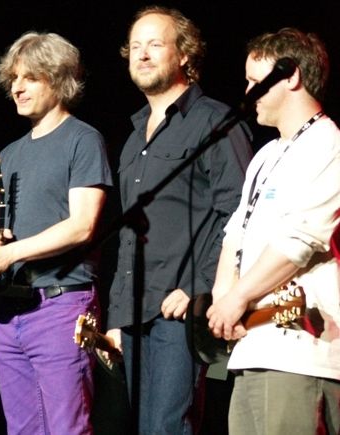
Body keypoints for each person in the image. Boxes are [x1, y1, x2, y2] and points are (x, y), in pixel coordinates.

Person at [105, 5, 253, 434]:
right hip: (135, 314)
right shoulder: (133, 137)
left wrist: (199, 285)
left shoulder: (215, 121)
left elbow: (240, 213)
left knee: (168, 428)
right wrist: (117, 315)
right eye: (135, 46)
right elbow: (128, 235)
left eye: (155, 44)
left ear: (185, 54)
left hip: (180, 312)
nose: (142, 54)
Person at [0, 31, 112, 434]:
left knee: (66, 427)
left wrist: (8, 254)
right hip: (11, 312)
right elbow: (0, 228)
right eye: (13, 78)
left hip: (61, 307)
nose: (17, 87)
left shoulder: (83, 139)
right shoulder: (10, 153)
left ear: (58, 79)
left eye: (30, 77)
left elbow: (82, 225)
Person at [207, 27, 340, 435]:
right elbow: (235, 232)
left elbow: (299, 240)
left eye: (255, 81)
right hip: (251, 348)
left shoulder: (328, 143)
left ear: (292, 76)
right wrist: (224, 299)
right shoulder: (266, 154)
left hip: (300, 354)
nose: (248, 92)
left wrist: (238, 298)